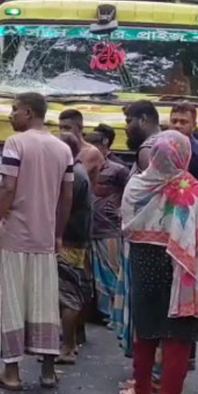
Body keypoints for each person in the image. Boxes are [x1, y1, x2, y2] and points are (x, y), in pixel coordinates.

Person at [118, 131, 198, 394]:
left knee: (147, 327)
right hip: (183, 267)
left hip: (144, 263)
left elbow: (126, 223)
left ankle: (141, 391)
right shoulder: (195, 192)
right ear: (184, 156)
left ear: (154, 155)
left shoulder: (137, 185)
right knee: (177, 336)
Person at [0, 92, 74, 391]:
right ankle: (47, 372)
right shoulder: (63, 149)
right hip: (44, 240)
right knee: (45, 303)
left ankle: (11, 373)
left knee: (11, 303)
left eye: (14, 110)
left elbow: (7, 187)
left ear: (29, 112)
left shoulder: (15, 143)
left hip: (15, 236)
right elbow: (66, 196)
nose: (10, 115)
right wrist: (58, 233)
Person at [85, 132, 131, 347]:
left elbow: (130, 192)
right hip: (91, 227)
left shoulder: (118, 169)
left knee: (113, 272)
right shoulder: (85, 167)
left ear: (104, 146)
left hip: (111, 230)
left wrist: (122, 211)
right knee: (96, 275)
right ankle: (103, 313)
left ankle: (117, 314)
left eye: (95, 145)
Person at [56, 133, 95, 361]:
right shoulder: (76, 172)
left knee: (67, 295)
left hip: (70, 241)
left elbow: (63, 209)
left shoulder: (74, 176)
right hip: (74, 239)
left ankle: (68, 347)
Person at [59, 109, 104, 186]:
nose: (63, 132)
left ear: (79, 128)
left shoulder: (91, 152)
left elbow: (74, 178)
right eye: (60, 128)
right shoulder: (62, 149)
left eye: (67, 128)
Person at [124, 100, 162, 175]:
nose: (126, 128)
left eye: (129, 121)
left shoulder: (147, 149)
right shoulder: (165, 142)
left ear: (143, 119)